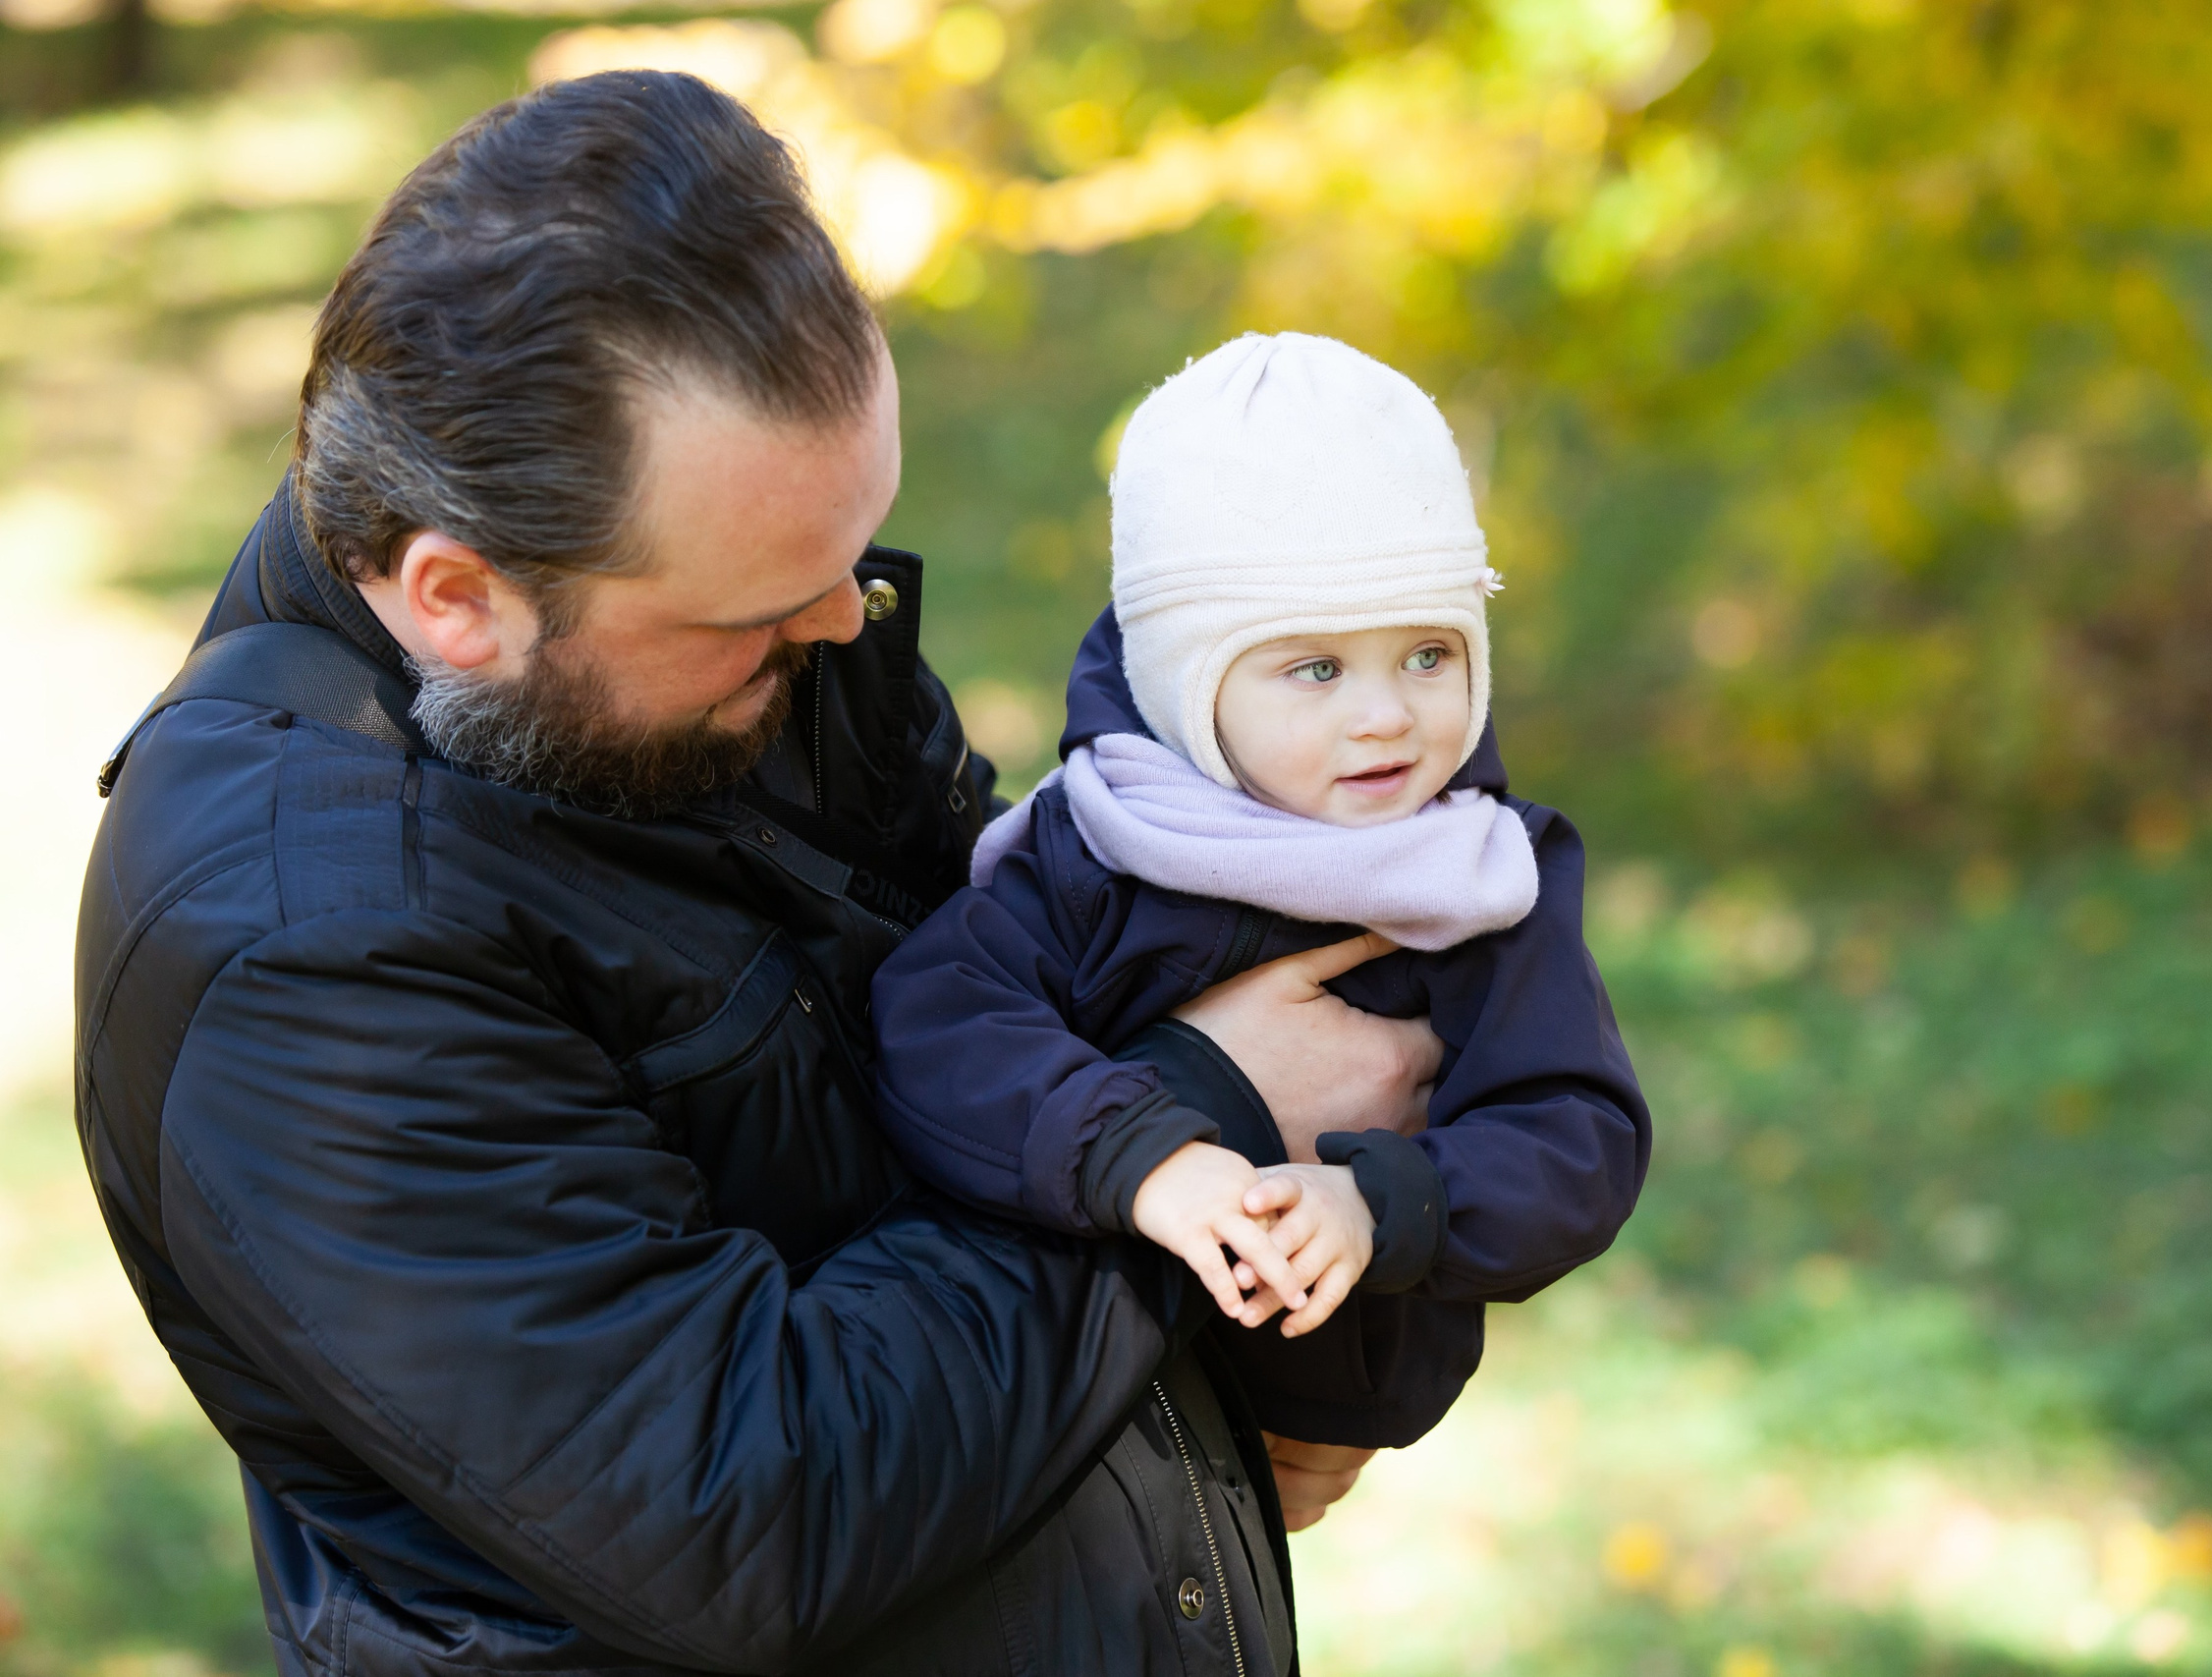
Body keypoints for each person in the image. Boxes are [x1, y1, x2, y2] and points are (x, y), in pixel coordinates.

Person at [74, 74, 1446, 1676]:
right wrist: (1193, 1127)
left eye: (848, 557)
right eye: (759, 613)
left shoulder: (728, 621)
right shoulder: (299, 953)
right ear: (460, 601)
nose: (845, 633)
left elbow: (1005, 1000)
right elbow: (751, 1508)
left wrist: (1270, 1353)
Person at [869, 334, 1651, 1449]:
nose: (1384, 714)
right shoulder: (1103, 841)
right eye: (1316, 669)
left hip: (1326, 1401)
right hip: (1095, 1404)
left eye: (1427, 653)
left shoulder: (1477, 873)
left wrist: (1385, 1203)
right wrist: (1142, 1154)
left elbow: (1576, 1138)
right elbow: (939, 1026)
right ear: (1190, 690)